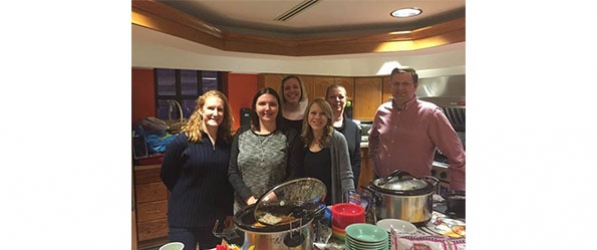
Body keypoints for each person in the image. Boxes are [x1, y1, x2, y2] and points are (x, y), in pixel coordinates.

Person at [368, 67, 465, 191]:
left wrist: (458, 192)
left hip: (415, 192)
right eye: (396, 84)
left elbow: (457, 155)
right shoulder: (382, 111)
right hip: (382, 185)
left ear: (415, 86)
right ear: (390, 85)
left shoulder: (431, 114)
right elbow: (374, 139)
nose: (400, 88)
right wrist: (375, 164)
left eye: (405, 84)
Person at [160, 90, 235, 250]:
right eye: (210, 108)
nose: (215, 113)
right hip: (183, 219)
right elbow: (167, 174)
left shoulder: (228, 144)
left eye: (220, 109)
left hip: (214, 219)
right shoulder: (183, 142)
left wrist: (229, 211)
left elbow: (228, 181)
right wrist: (187, 193)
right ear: (200, 110)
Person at [228, 87, 304, 213]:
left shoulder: (290, 135)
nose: (267, 108)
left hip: (278, 208)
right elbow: (232, 171)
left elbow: (295, 174)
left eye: (272, 104)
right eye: (262, 104)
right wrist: (250, 199)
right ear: (255, 107)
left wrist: (270, 198)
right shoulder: (241, 134)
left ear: (279, 108)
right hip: (245, 209)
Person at [301, 98, 355, 205]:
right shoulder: (303, 141)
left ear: (328, 117)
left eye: (322, 114)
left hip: (331, 203)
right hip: (309, 204)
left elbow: (346, 175)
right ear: (307, 116)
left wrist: (351, 199)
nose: (317, 117)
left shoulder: (337, 139)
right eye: (313, 113)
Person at [325, 84, 361, 187]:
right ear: (326, 100)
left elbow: (356, 161)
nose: (337, 100)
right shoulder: (320, 126)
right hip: (324, 186)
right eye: (332, 97)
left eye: (341, 97)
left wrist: (351, 186)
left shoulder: (353, 128)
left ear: (346, 100)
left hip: (347, 184)